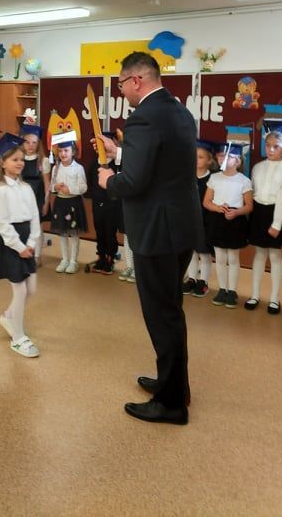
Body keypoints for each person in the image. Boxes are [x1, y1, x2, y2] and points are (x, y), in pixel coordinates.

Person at [98, 51, 203, 426]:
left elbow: (134, 181)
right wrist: (121, 152)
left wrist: (109, 180)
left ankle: (171, 403)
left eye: (121, 84)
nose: (121, 91)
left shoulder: (142, 117)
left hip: (157, 230)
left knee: (162, 314)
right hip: (180, 226)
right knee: (171, 308)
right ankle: (174, 384)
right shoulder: (179, 111)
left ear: (136, 80)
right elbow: (162, 162)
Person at [0, 133, 41, 358]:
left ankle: (8, 317)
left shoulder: (26, 187)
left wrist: (32, 242)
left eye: (21, 159)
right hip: (12, 244)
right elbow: (2, 225)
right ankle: (18, 337)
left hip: (27, 240)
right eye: (14, 160)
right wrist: (20, 247)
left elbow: (35, 217)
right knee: (20, 290)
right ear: (3, 163)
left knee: (31, 289)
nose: (20, 163)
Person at [245, 125, 282, 314]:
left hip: (276, 213)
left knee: (275, 255)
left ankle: (274, 299)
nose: (271, 150)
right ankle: (255, 295)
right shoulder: (258, 167)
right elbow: (253, 192)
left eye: (276, 146)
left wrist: (277, 223)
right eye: (268, 145)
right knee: (259, 254)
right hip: (259, 213)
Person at [203, 142, 253, 308]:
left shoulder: (244, 181)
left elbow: (249, 206)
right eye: (219, 155)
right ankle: (222, 289)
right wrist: (218, 208)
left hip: (235, 221)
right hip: (217, 220)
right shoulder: (214, 178)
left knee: (232, 258)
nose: (222, 158)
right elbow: (206, 202)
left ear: (237, 161)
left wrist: (236, 212)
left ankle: (232, 291)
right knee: (220, 257)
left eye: (227, 156)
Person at [182, 139, 218, 297]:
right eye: (194, 156)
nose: (197, 160)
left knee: (204, 253)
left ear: (209, 160)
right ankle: (191, 278)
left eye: (201, 157)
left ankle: (203, 281)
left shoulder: (213, 179)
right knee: (191, 252)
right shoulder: (187, 176)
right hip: (189, 220)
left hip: (206, 221)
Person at [50, 138, 87, 274]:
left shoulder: (78, 168)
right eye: (60, 151)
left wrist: (70, 189)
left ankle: (73, 261)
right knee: (62, 233)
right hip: (60, 203)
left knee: (73, 233)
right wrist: (55, 187)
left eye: (66, 150)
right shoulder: (56, 168)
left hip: (73, 204)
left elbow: (83, 187)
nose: (63, 154)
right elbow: (51, 186)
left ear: (73, 152)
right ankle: (64, 259)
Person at [87, 131, 121, 275]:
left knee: (110, 232)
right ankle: (101, 257)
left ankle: (110, 258)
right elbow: (91, 182)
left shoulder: (116, 164)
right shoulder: (93, 164)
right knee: (99, 231)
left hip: (112, 205)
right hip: (97, 204)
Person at [20, 123, 51, 266]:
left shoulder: (43, 160)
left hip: (37, 198)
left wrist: (46, 202)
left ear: (38, 143)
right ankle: (25, 252)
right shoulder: (19, 158)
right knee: (23, 226)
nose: (30, 145)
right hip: (22, 198)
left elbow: (47, 184)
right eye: (27, 142)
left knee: (36, 227)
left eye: (34, 142)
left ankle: (37, 255)